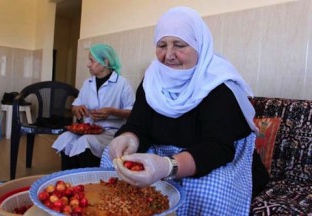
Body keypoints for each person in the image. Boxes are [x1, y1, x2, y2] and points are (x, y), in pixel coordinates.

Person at [99, 6, 269, 215]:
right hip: (165, 154)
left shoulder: (218, 86)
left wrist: (168, 167)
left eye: (179, 45)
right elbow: (138, 124)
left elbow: (217, 147)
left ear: (199, 46)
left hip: (216, 158)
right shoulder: (152, 80)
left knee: (205, 190)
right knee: (110, 156)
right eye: (161, 45)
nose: (169, 55)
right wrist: (129, 138)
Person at [52, 43, 135, 170]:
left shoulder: (122, 84)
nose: (88, 64)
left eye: (91, 60)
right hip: (89, 128)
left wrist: (112, 111)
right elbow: (76, 105)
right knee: (66, 137)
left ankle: (86, 178)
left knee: (86, 141)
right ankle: (68, 176)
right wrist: (77, 109)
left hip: (111, 131)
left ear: (105, 61)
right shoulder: (88, 83)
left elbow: (132, 112)